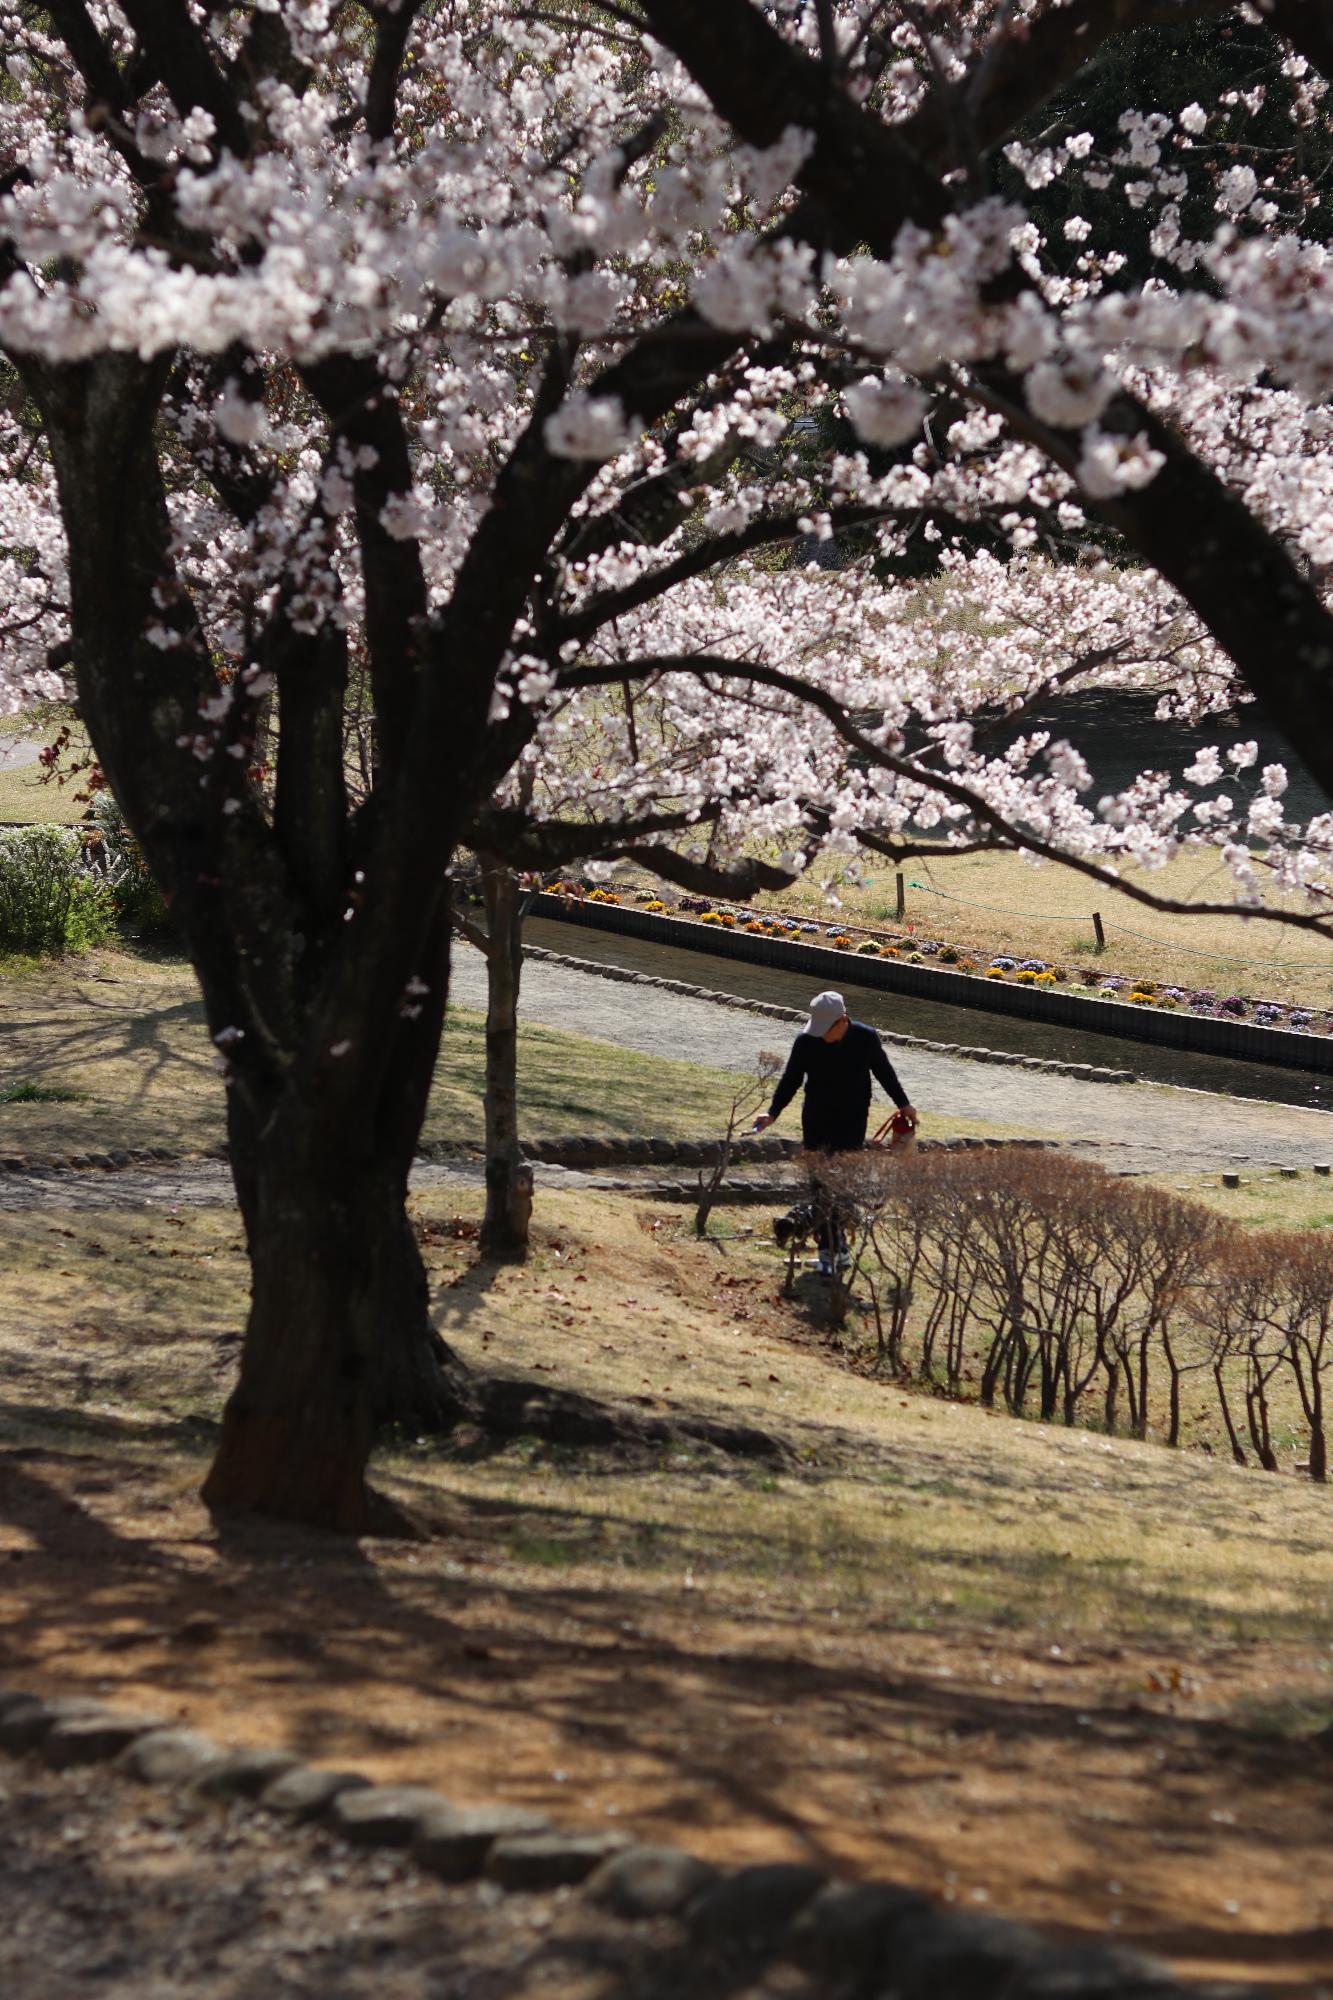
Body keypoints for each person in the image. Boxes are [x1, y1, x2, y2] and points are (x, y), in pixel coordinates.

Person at [752, 990, 918, 1273]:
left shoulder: (865, 1038)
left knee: (840, 1185)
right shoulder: (806, 1042)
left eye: (825, 1029)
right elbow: (791, 1079)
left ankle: (833, 1250)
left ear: (842, 1021)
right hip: (816, 1119)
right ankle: (834, 1250)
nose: (820, 1035)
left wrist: (904, 1105)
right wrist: (772, 1113)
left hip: (852, 1121)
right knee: (819, 1184)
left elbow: (884, 1072)